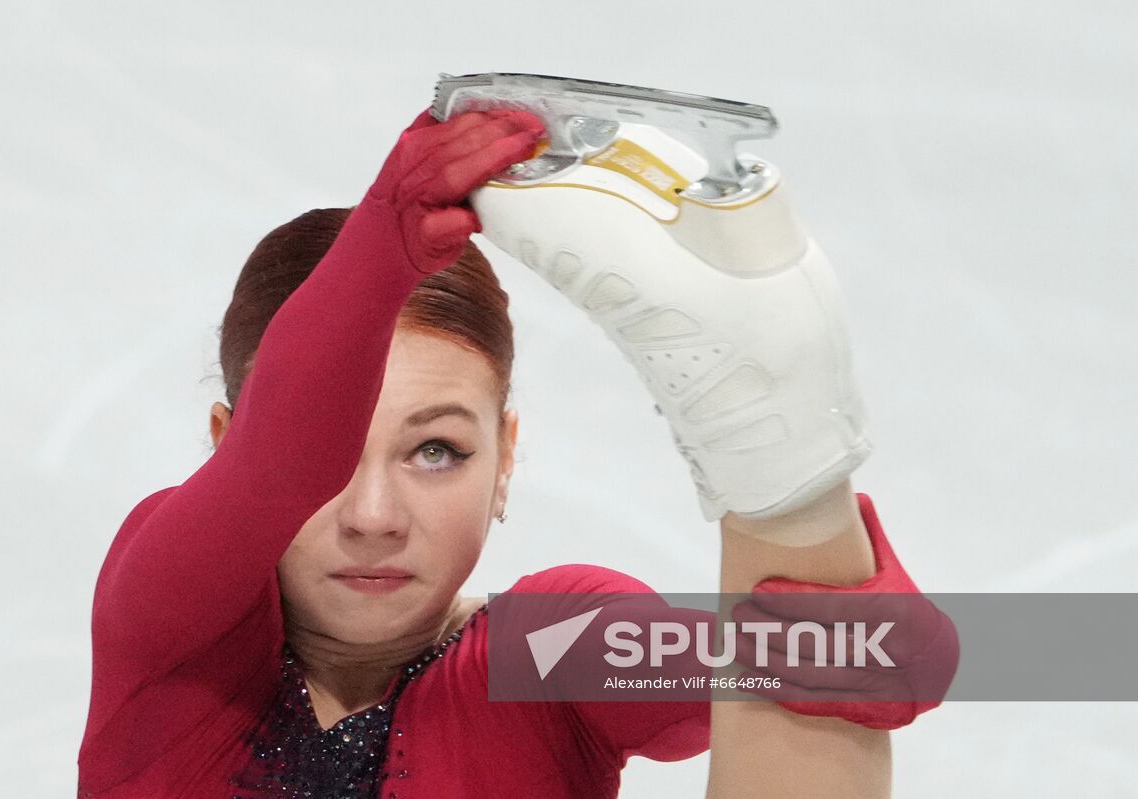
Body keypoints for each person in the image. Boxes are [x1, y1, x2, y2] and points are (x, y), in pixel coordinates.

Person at [76, 107, 956, 798]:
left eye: (434, 449)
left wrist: (823, 563)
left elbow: (820, 670)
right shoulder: (168, 626)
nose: (373, 518)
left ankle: (779, 459)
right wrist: (386, 238)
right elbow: (279, 464)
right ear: (227, 446)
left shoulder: (558, 645)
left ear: (505, 459)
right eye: (335, 454)